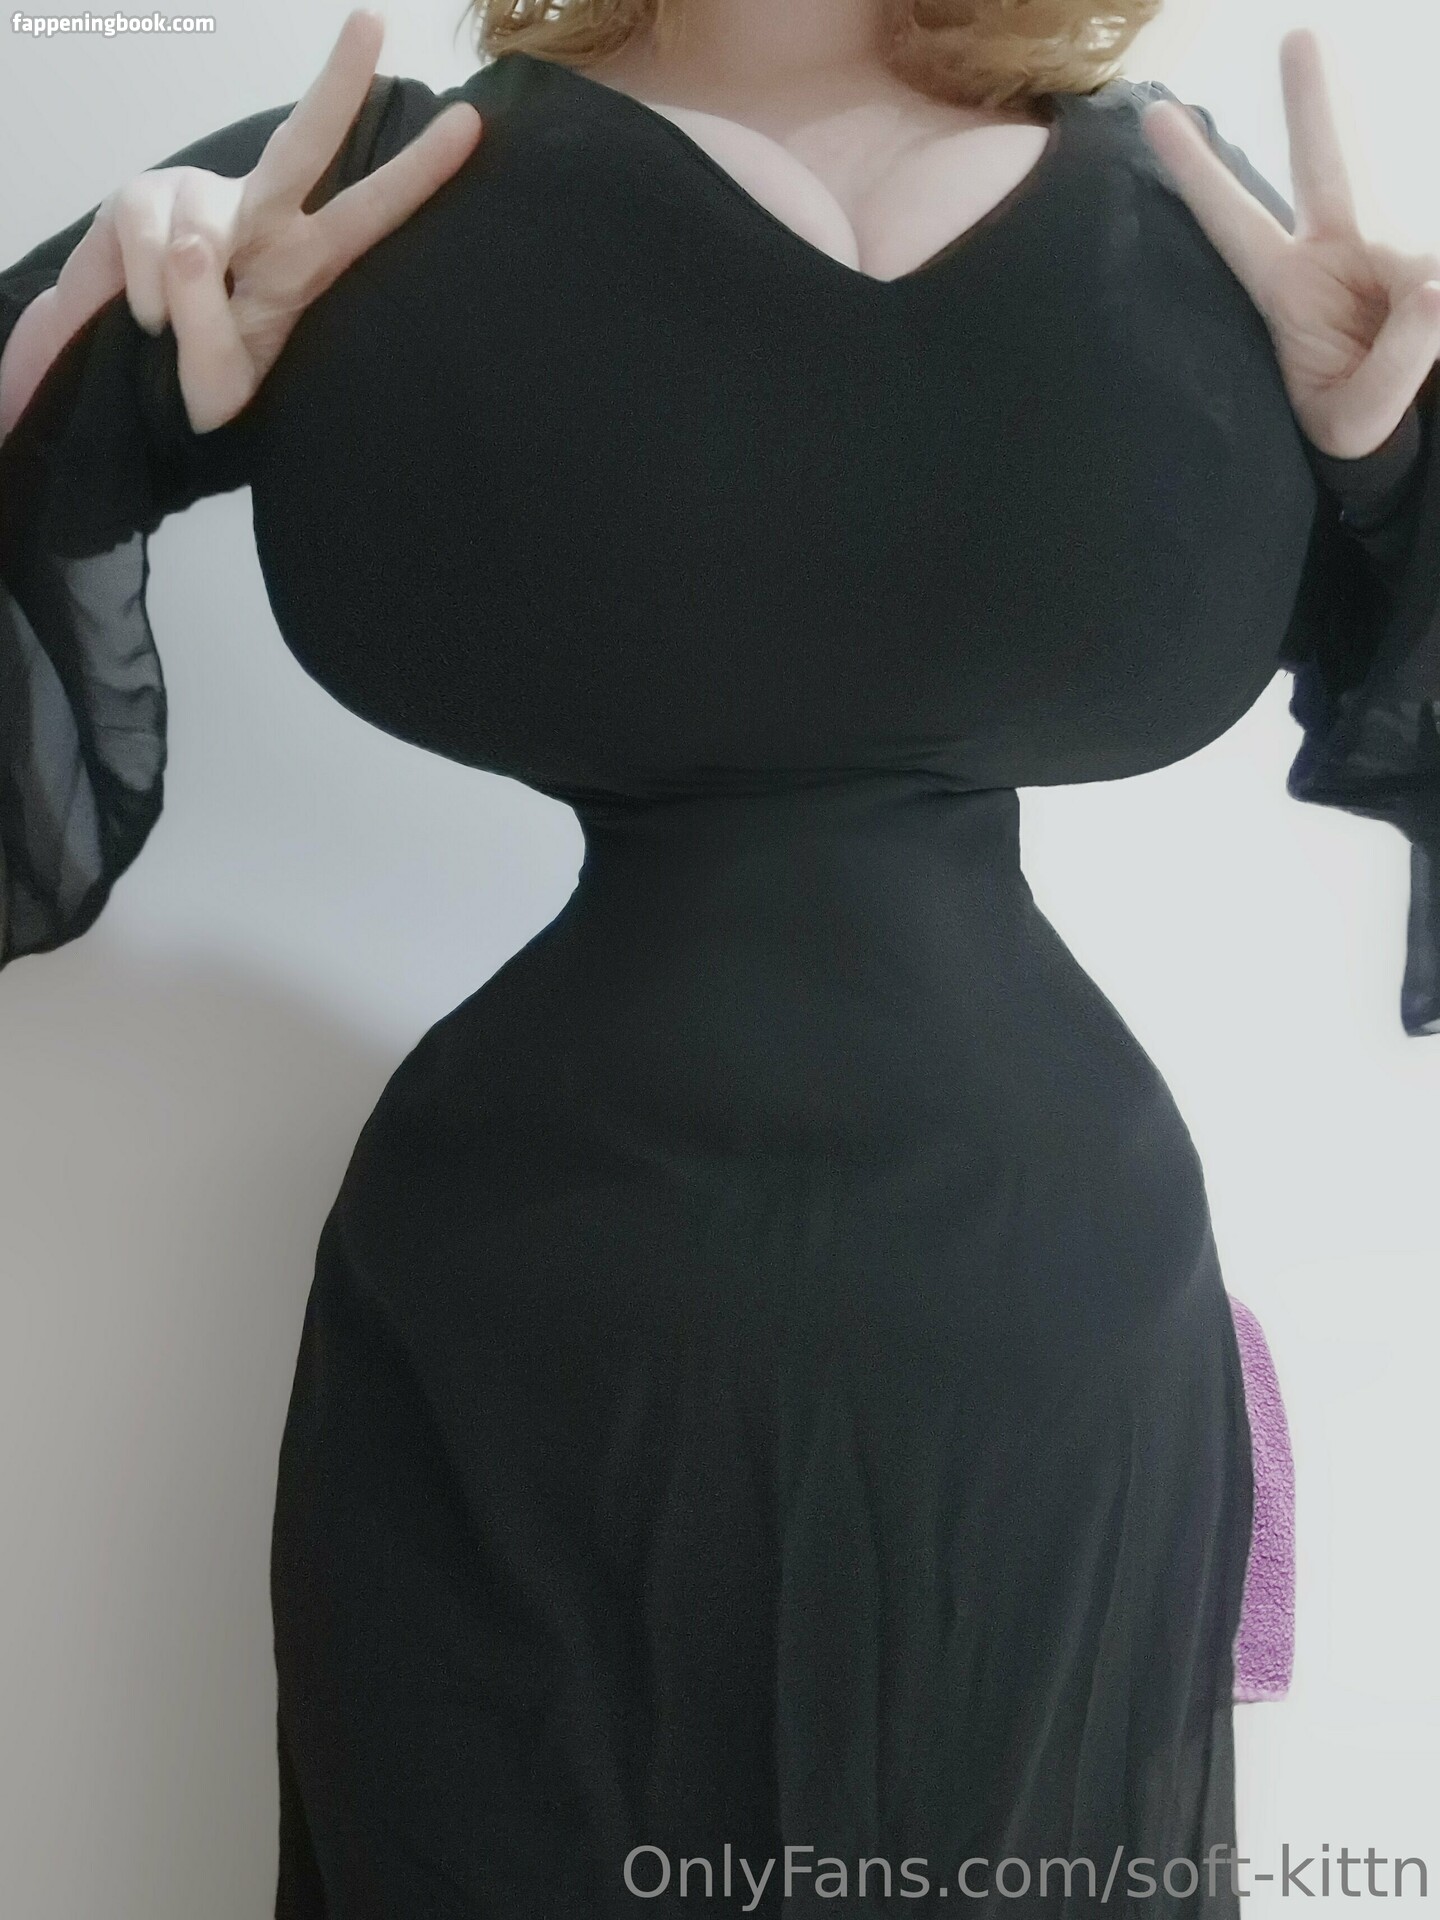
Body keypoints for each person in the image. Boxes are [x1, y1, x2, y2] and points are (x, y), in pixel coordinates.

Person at [2, 3, 1437, 1914]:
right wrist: (74, 374)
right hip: (526, 1353)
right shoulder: (369, 191)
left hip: (1046, 1359)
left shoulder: (1190, 209)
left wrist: (1396, 467)